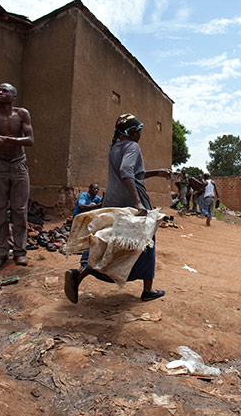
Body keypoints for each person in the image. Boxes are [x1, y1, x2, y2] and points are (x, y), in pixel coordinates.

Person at [64, 114, 171, 303]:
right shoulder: (133, 146)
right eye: (139, 131)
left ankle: (80, 273)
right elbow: (126, 172)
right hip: (130, 202)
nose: (141, 134)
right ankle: (148, 289)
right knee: (146, 241)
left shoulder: (114, 147)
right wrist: (137, 203)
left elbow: (133, 173)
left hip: (112, 201)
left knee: (106, 240)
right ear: (132, 132)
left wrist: (157, 173)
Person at [0, 83, 34, 272]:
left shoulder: (22, 114)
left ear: (13, 96)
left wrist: (9, 139)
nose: (0, 93)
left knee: (19, 209)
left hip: (19, 164)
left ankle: (20, 251)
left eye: (5, 91)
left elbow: (30, 140)